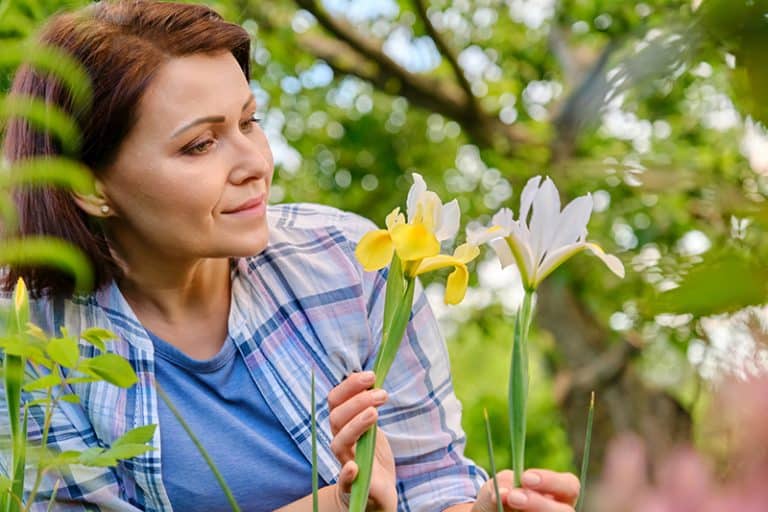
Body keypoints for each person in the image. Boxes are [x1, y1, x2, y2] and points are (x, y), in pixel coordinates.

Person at [0, 1, 580, 511]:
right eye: (199, 144)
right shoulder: (28, 337)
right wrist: (333, 507)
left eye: (250, 121)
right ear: (90, 186)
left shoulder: (352, 264)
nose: (255, 161)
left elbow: (433, 487)